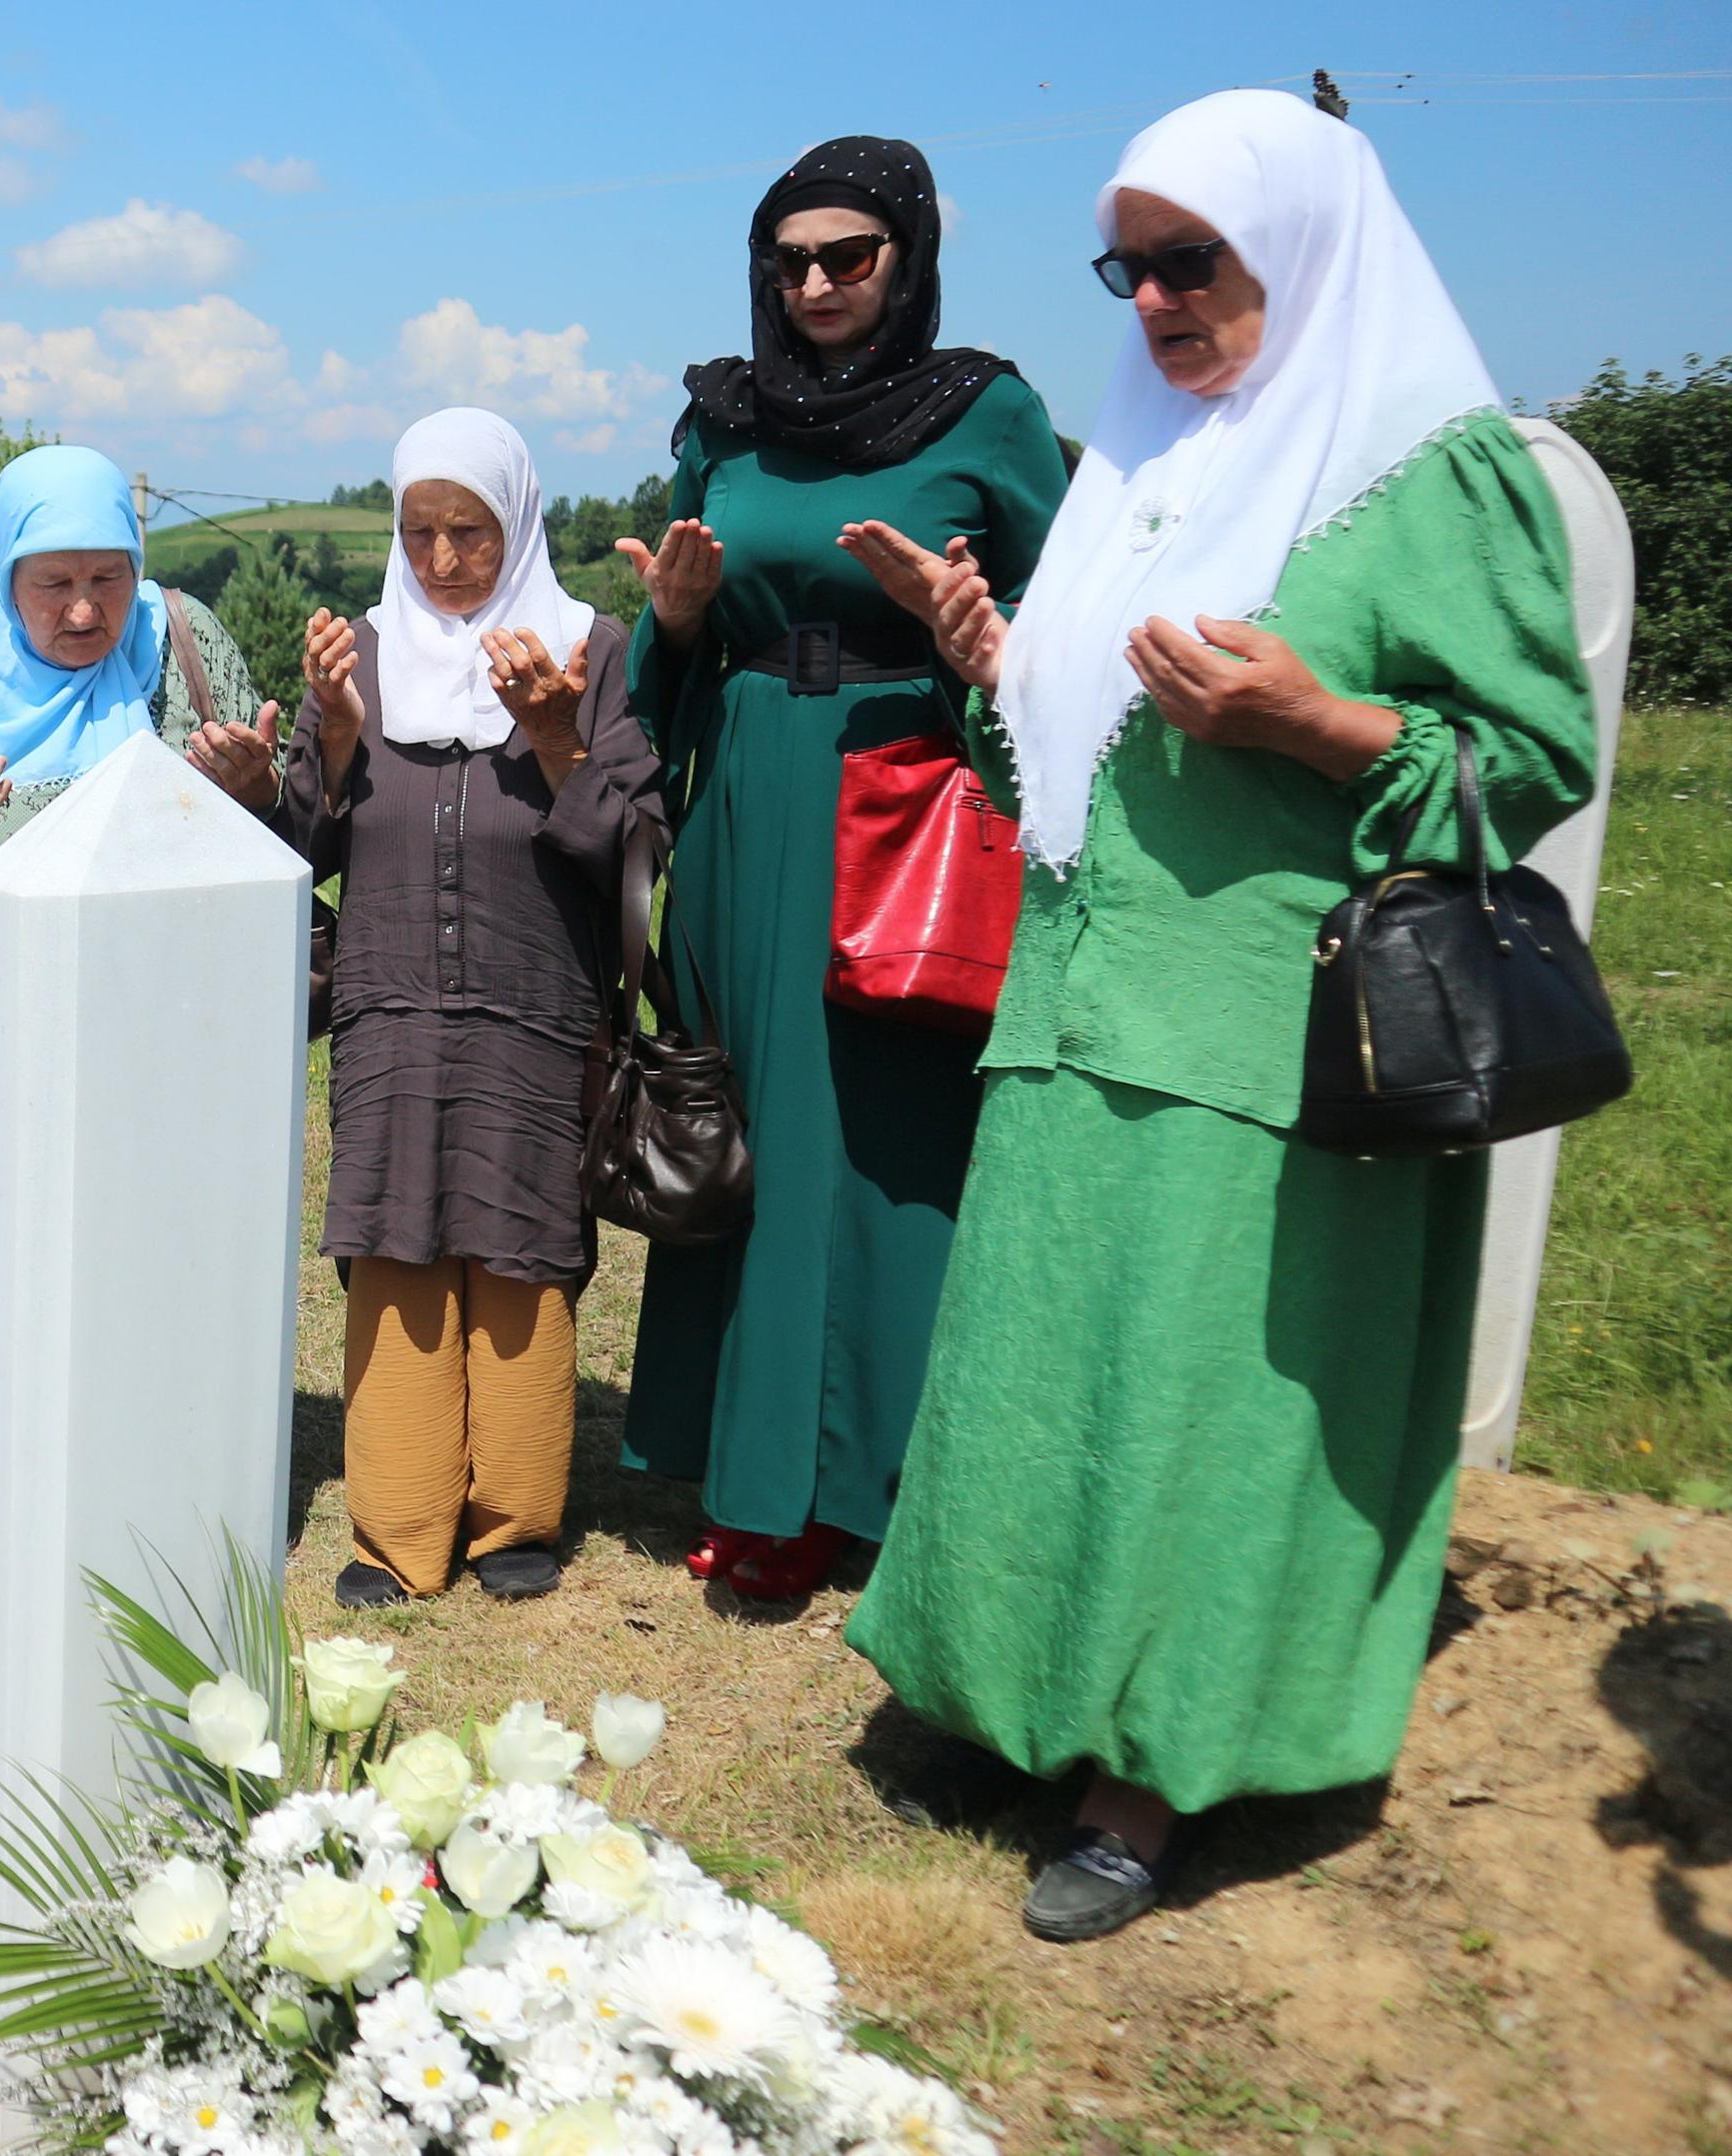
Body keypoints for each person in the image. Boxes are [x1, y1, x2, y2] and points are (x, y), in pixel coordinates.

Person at [844, 89, 1597, 1941]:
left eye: (1196, 262)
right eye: (1132, 268)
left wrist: (1318, 725)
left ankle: (1154, 1772)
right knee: (1044, 1389)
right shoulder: (1146, 464)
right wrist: (993, 661)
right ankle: (1009, 1705)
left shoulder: (1432, 470)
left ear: (1310, 246)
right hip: (1083, 1013)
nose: (1159, 302)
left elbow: (1535, 756)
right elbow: (1076, 764)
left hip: (1273, 1042)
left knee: (1200, 1417)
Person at [611, 137, 1069, 1601]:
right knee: (743, 1124)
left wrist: (968, 634)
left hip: (906, 792)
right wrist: (676, 628)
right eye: (789, 260)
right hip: (746, 791)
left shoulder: (986, 412)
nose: (814, 283)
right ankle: (752, 1471)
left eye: (847, 257)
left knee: (872, 1144)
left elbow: (1067, 628)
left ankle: (873, 1481)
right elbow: (667, 640)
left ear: (909, 257)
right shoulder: (723, 424)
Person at [0, 443, 285, 1571]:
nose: (87, 609)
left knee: (153, 1264)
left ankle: (159, 1491)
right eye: (54, 582)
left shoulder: (177, 651)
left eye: (109, 577)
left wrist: (250, 794)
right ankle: (5, 1514)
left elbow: (268, 818)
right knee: (13, 1278)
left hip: (164, 1045)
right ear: (5, 576)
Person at [281, 410, 662, 1608]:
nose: (446, 561)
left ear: (522, 523)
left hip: (536, 1003)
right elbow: (296, 846)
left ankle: (513, 1520)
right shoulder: (365, 659)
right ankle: (398, 1527)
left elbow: (641, 850)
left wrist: (555, 739)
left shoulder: (591, 651)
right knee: (392, 1246)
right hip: (390, 1006)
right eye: (421, 532)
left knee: (522, 1250)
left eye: (473, 532)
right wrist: (334, 742)